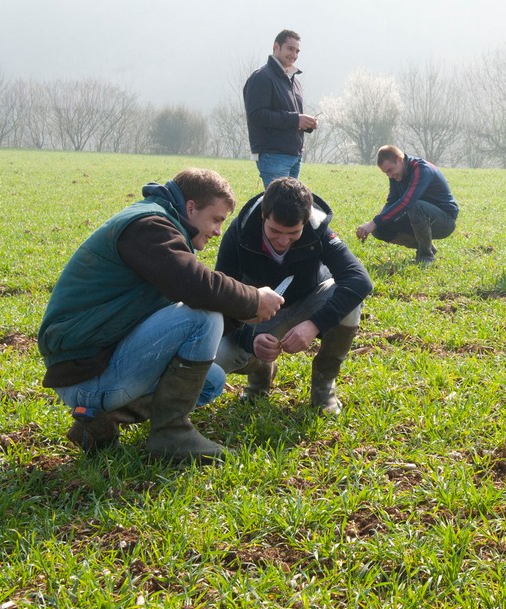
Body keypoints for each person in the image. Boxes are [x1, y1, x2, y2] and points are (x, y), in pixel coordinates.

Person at [38, 169, 285, 462]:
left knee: (211, 380)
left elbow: (178, 294)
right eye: (216, 219)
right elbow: (194, 284)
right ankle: (171, 435)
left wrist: (242, 316)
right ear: (191, 207)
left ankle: (100, 421)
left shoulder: (159, 226)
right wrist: (253, 299)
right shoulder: (148, 226)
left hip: (99, 363)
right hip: (85, 375)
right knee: (203, 318)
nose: (219, 230)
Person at [215, 177, 373, 415]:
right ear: (263, 216)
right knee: (220, 356)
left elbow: (359, 279)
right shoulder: (239, 233)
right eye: (275, 231)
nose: (282, 241)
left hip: (310, 301)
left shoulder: (318, 227)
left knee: (350, 303)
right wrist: (251, 339)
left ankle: (324, 386)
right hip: (258, 314)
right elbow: (223, 296)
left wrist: (314, 325)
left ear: (305, 221)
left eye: (293, 233)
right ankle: (259, 378)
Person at [355, 145, 458, 265]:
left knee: (415, 206)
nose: (390, 175)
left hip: (445, 221)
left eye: (390, 170)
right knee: (380, 229)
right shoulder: (396, 175)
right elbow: (392, 201)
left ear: (399, 159)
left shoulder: (422, 169)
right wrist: (377, 223)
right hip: (417, 216)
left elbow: (407, 202)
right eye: (386, 173)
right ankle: (427, 246)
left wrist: (374, 222)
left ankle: (425, 256)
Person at [244, 29, 318, 188]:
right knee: (277, 209)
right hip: (273, 156)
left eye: (297, 51)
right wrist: (296, 119)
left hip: (295, 156)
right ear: (276, 47)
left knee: (289, 208)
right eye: (290, 49)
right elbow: (257, 115)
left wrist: (306, 124)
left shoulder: (295, 81)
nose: (294, 54)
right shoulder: (262, 77)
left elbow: (291, 118)